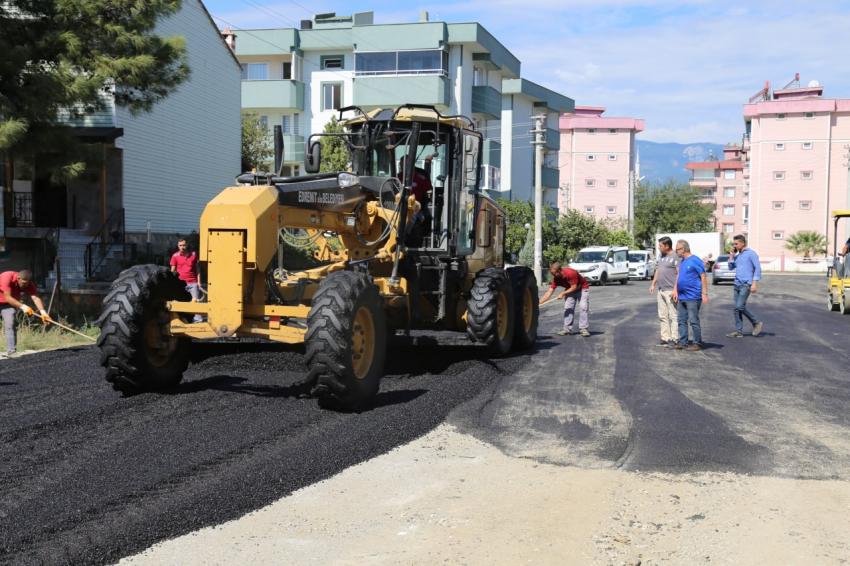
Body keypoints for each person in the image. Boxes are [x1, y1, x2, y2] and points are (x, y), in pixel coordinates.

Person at [0, 269, 51, 356]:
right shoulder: (6, 277)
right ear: (18, 278)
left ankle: (11, 352)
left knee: (10, 323)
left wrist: (43, 313)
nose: (25, 286)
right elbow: (8, 297)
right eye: (23, 283)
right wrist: (23, 306)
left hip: (8, 304)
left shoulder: (28, 284)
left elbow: (35, 298)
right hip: (8, 299)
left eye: (27, 284)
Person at [672, 240, 708, 351]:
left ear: (684, 249)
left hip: (693, 296)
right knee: (681, 320)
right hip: (682, 296)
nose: (676, 251)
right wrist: (676, 290)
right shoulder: (682, 261)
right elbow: (679, 276)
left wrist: (704, 293)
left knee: (693, 320)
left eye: (677, 249)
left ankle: (697, 343)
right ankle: (683, 342)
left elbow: (703, 276)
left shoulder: (695, 260)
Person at [539, 261, 590, 337]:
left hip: (582, 288)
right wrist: (539, 303)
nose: (554, 276)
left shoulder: (570, 273)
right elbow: (549, 292)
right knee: (568, 308)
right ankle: (567, 329)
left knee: (583, 307)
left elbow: (574, 287)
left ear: (559, 270)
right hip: (570, 289)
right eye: (552, 274)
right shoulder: (556, 279)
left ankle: (583, 329)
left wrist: (563, 293)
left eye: (554, 274)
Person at [726, 234, 764, 338]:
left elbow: (757, 268)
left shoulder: (751, 254)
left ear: (742, 243)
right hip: (737, 284)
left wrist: (754, 283)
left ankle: (756, 323)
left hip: (746, 284)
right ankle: (739, 332)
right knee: (736, 308)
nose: (734, 246)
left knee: (739, 306)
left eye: (736, 244)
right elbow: (730, 267)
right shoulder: (738, 256)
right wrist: (731, 256)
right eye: (734, 244)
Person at [649, 236, 679, 347]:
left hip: (671, 290)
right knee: (662, 315)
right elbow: (657, 270)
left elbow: (679, 273)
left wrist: (676, 289)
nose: (659, 247)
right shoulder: (661, 256)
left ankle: (675, 338)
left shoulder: (676, 256)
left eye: (660, 246)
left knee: (673, 316)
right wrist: (653, 284)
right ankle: (665, 338)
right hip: (661, 290)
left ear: (667, 246)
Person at [170, 239, 203, 323]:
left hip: (193, 282)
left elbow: (198, 269)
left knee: (196, 302)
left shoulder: (194, 255)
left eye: (184, 245)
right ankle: (180, 319)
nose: (182, 247)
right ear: (178, 246)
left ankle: (198, 322)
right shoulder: (175, 256)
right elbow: (172, 271)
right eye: (180, 245)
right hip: (180, 283)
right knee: (179, 302)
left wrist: (199, 282)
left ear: (187, 245)